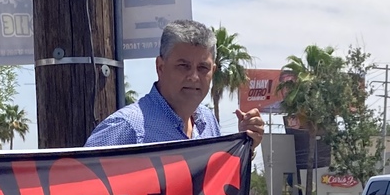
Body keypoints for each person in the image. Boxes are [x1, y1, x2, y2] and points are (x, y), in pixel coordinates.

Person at [85, 19, 264, 148]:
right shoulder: (126, 128)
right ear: (160, 67)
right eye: (183, 66)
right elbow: (80, 183)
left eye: (203, 68)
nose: (194, 76)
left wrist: (246, 142)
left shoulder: (208, 122)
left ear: (213, 71)